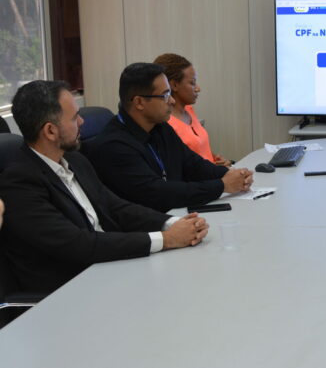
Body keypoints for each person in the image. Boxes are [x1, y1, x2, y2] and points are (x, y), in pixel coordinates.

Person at [0, 81, 209, 294]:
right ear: (50, 131)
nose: (81, 121)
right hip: (72, 290)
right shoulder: (19, 184)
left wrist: (173, 223)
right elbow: (79, 245)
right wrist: (167, 239)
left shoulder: (75, 160)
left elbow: (116, 207)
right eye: (74, 117)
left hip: (111, 269)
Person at [88, 63, 253, 212]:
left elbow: (192, 163)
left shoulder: (159, 126)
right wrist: (222, 185)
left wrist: (232, 175)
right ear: (139, 102)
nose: (172, 101)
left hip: (176, 213)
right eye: (165, 95)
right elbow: (158, 193)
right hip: (149, 225)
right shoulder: (114, 146)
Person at [153, 53, 232, 167]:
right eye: (192, 83)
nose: (198, 88)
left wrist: (217, 159)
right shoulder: (166, 124)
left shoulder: (189, 110)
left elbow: (199, 151)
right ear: (174, 85)